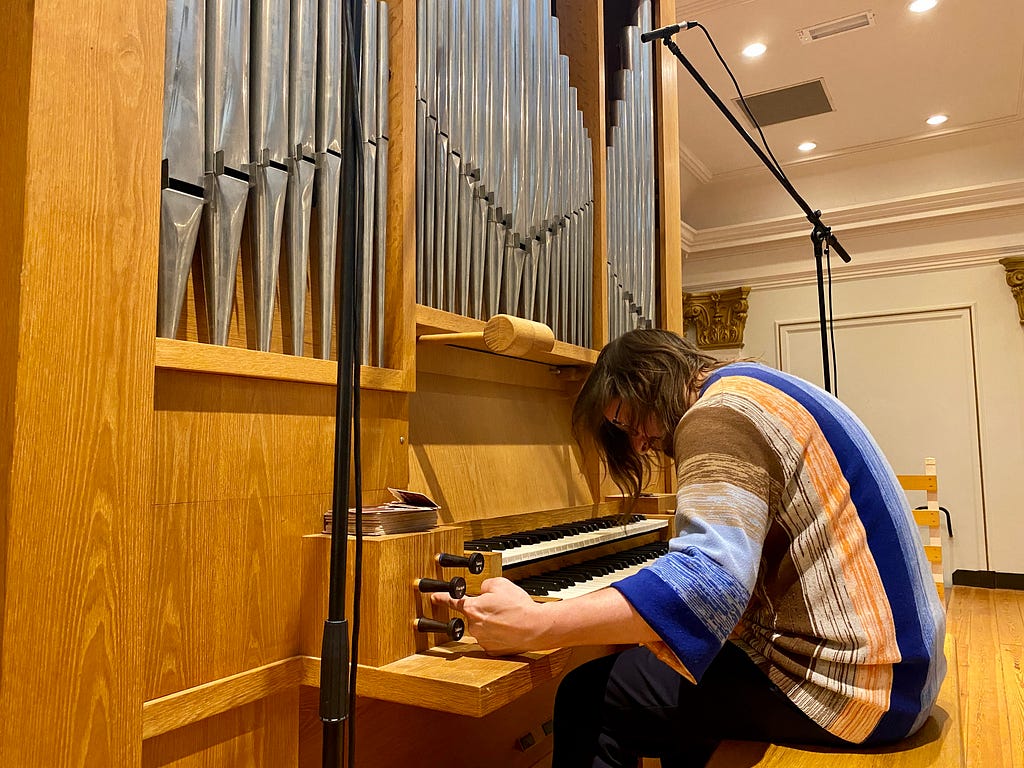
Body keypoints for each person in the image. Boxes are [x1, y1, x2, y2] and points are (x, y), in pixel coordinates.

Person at [431, 328, 946, 768]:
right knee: (673, 666)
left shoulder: (716, 416)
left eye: (633, 421)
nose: (639, 443)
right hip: (903, 671)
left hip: (857, 694)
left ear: (653, 379)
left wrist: (536, 623)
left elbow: (709, 585)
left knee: (586, 698)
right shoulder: (755, 387)